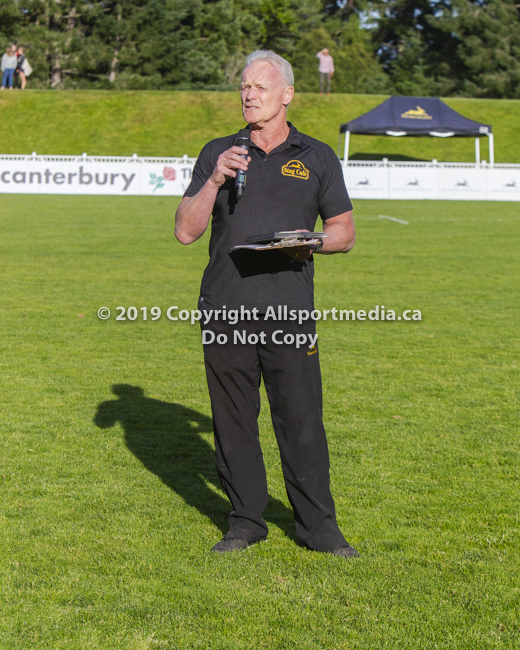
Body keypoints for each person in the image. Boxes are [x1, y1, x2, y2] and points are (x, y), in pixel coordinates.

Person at [175, 50, 357, 557]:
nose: (248, 94)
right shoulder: (218, 152)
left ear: (287, 94)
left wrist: (311, 240)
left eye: (259, 86)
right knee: (233, 422)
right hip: (226, 307)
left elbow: (343, 233)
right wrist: (214, 179)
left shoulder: (316, 156)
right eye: (244, 86)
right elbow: (185, 232)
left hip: (289, 312)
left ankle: (319, 528)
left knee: (300, 420)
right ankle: (245, 522)